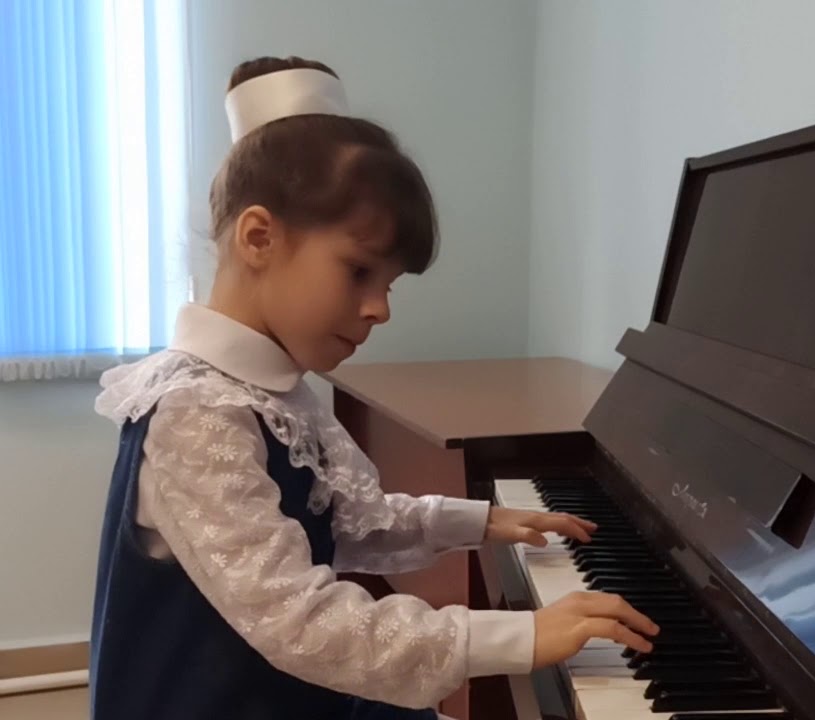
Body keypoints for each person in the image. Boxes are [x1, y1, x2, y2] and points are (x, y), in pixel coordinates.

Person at [89, 56, 658, 720]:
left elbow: (345, 519)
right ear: (259, 237)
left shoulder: (262, 391)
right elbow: (299, 620)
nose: (380, 309)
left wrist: (480, 521)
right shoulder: (199, 411)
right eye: (359, 271)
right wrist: (519, 636)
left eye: (388, 284)